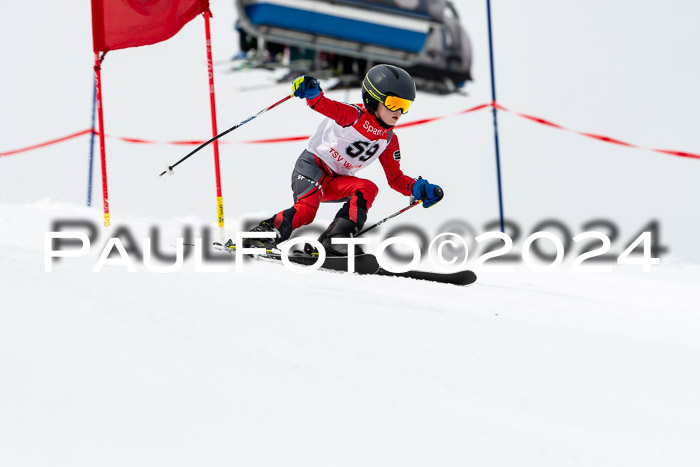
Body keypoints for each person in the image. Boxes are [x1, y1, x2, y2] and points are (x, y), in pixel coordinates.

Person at [241, 64, 443, 256]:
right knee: (307, 211)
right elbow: (321, 104)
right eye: (394, 103)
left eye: (405, 105)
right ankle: (259, 237)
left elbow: (395, 179)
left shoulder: (388, 140)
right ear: (373, 99)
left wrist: (419, 188)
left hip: (336, 181)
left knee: (367, 188)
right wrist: (311, 89)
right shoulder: (353, 115)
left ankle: (335, 240)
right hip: (312, 167)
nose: (399, 112)